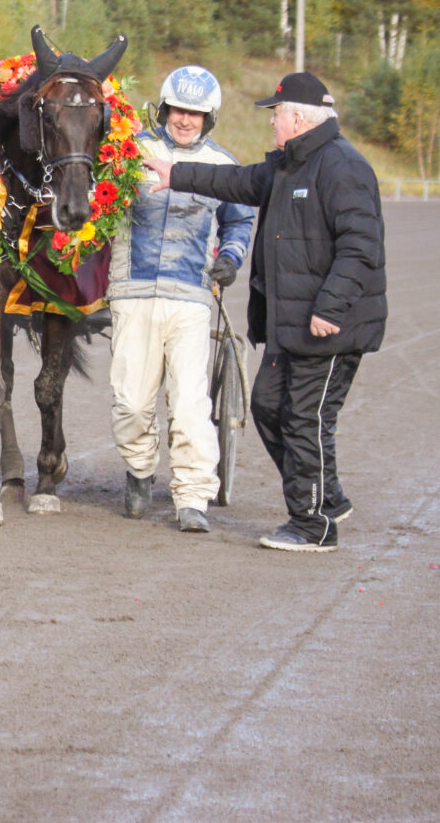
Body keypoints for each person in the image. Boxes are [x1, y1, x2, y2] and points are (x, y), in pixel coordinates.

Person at [145, 71, 386, 552]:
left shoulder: (342, 166)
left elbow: (361, 248)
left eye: (275, 115)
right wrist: (176, 173)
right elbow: (234, 180)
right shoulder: (286, 165)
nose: (271, 123)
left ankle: (313, 525)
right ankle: (328, 496)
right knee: (269, 407)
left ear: (297, 118)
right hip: (288, 324)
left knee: (304, 418)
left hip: (329, 324)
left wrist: (330, 307)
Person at [108, 66, 255, 533]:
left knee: (190, 402)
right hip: (132, 290)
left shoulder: (223, 165)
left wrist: (230, 258)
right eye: (178, 110)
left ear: (208, 118)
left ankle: (192, 497)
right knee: (132, 401)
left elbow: (239, 222)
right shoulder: (131, 154)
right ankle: (140, 470)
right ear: (164, 109)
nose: (185, 120)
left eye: (195, 113)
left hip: (191, 296)